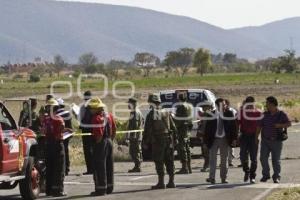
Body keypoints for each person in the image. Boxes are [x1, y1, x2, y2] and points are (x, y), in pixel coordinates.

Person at [143, 94, 178, 189]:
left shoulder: (152, 114)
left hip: (158, 140)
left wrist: (145, 142)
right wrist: (175, 139)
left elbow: (148, 129)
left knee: (159, 160)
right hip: (168, 139)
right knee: (169, 160)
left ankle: (161, 182)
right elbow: (173, 127)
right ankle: (171, 182)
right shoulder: (166, 112)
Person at [256, 96, 291, 183]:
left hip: (277, 141)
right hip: (265, 140)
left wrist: (279, 125)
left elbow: (289, 123)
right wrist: (256, 137)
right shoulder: (264, 115)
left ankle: (276, 176)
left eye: (267, 104)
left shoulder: (281, 114)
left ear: (273, 104)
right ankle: (266, 175)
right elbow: (259, 126)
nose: (266, 105)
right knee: (263, 158)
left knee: (276, 160)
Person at [204, 98, 238, 184]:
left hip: (224, 139)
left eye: (225, 104)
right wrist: (205, 141)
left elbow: (234, 127)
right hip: (214, 139)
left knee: (224, 160)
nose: (224, 106)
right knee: (212, 160)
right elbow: (207, 128)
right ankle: (212, 177)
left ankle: (223, 178)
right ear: (217, 105)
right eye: (222, 104)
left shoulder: (229, 113)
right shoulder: (211, 114)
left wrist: (234, 139)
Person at [88, 97, 116, 196]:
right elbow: (114, 129)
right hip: (109, 141)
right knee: (109, 165)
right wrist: (110, 140)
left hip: (101, 143)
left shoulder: (96, 118)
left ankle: (101, 189)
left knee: (99, 165)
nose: (90, 110)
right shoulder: (109, 115)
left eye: (92, 108)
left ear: (96, 108)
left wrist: (96, 145)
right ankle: (109, 187)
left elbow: (99, 135)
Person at [43, 98, 68, 197]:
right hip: (57, 145)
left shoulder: (46, 119)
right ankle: (58, 190)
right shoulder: (59, 118)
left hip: (48, 144)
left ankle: (48, 190)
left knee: (49, 168)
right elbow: (61, 129)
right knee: (59, 169)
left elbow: (44, 131)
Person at [238, 96, 262, 184]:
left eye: (252, 103)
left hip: (254, 136)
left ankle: (252, 176)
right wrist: (237, 135)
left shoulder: (258, 113)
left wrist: (257, 137)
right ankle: (246, 171)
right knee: (243, 156)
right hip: (244, 136)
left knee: (254, 158)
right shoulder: (241, 112)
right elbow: (238, 124)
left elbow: (260, 127)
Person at [175, 93, 193, 174]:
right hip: (187, 129)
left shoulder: (180, 107)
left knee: (182, 149)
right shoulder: (190, 106)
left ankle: (184, 167)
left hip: (181, 129)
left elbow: (179, 119)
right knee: (187, 148)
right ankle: (189, 167)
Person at [127, 97, 144, 173]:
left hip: (135, 136)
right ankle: (138, 165)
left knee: (134, 151)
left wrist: (132, 135)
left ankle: (137, 166)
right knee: (137, 150)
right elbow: (142, 121)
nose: (128, 105)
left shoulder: (134, 112)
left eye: (129, 103)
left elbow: (135, 124)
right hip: (138, 135)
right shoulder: (138, 111)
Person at [56, 98, 73, 176]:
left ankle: (63, 169)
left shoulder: (56, 115)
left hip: (60, 135)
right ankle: (67, 168)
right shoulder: (68, 113)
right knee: (66, 152)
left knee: (61, 153)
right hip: (68, 135)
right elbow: (70, 125)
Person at [79, 91, 94, 175]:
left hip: (85, 130)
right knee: (94, 150)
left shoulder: (82, 107)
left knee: (87, 150)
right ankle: (95, 168)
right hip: (93, 130)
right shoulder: (95, 106)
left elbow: (80, 119)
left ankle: (89, 169)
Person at [197, 100, 214, 172]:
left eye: (204, 107)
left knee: (208, 152)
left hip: (209, 136)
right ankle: (207, 165)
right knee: (205, 152)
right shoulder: (204, 115)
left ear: (209, 107)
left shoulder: (212, 115)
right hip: (204, 136)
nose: (203, 108)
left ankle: (208, 166)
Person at [224, 99, 237, 167]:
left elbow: (234, 122)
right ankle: (225, 161)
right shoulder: (222, 111)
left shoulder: (232, 111)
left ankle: (230, 161)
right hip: (225, 133)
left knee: (230, 148)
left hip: (230, 132)